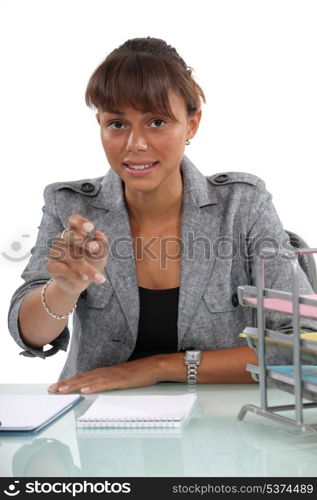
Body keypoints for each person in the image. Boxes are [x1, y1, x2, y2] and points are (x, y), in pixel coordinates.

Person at [8, 37, 317, 394]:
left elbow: (302, 346)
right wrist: (64, 288)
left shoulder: (242, 206)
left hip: (221, 430)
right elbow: (28, 334)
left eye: (156, 122)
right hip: (97, 425)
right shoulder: (71, 207)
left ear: (192, 124)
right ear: (100, 125)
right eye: (117, 124)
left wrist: (157, 368)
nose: (134, 144)